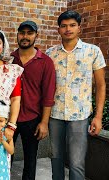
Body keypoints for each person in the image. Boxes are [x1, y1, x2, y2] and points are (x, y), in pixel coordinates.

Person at [46, 10, 106, 180]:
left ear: (79, 28)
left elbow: (101, 85)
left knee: (76, 163)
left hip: (80, 116)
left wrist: (98, 117)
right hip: (55, 114)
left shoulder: (93, 52)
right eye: (63, 26)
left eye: (72, 25)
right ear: (58, 29)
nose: (68, 29)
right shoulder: (51, 54)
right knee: (55, 159)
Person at [11, 20, 56, 180]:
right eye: (22, 32)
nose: (25, 36)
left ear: (36, 35)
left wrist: (44, 122)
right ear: (17, 34)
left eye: (29, 33)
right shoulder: (9, 60)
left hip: (32, 118)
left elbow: (48, 95)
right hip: (9, 118)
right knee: (4, 157)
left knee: (30, 161)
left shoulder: (45, 62)